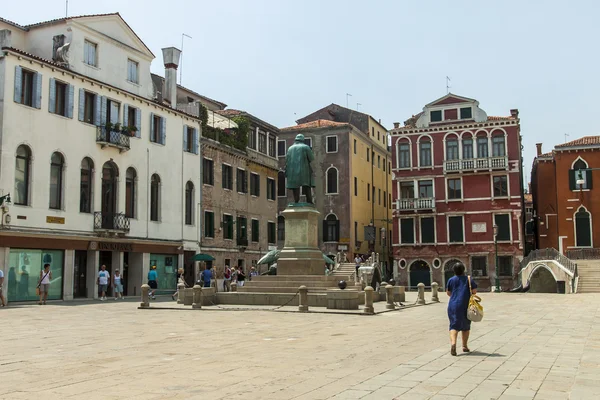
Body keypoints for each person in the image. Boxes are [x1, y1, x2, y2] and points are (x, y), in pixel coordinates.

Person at [446, 263, 478, 356]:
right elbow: (474, 291)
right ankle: (464, 346)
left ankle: (453, 344)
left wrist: (456, 296)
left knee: (453, 325)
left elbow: (448, 292)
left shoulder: (451, 280)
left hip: (453, 305)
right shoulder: (468, 279)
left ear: (454, 271)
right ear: (463, 270)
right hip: (465, 305)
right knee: (466, 326)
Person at [285, 133, 316, 204]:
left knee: (295, 186)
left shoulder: (290, 148)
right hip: (304, 170)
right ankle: (309, 200)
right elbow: (311, 158)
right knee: (307, 185)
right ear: (302, 140)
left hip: (292, 171)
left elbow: (287, 160)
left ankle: (296, 200)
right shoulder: (305, 147)